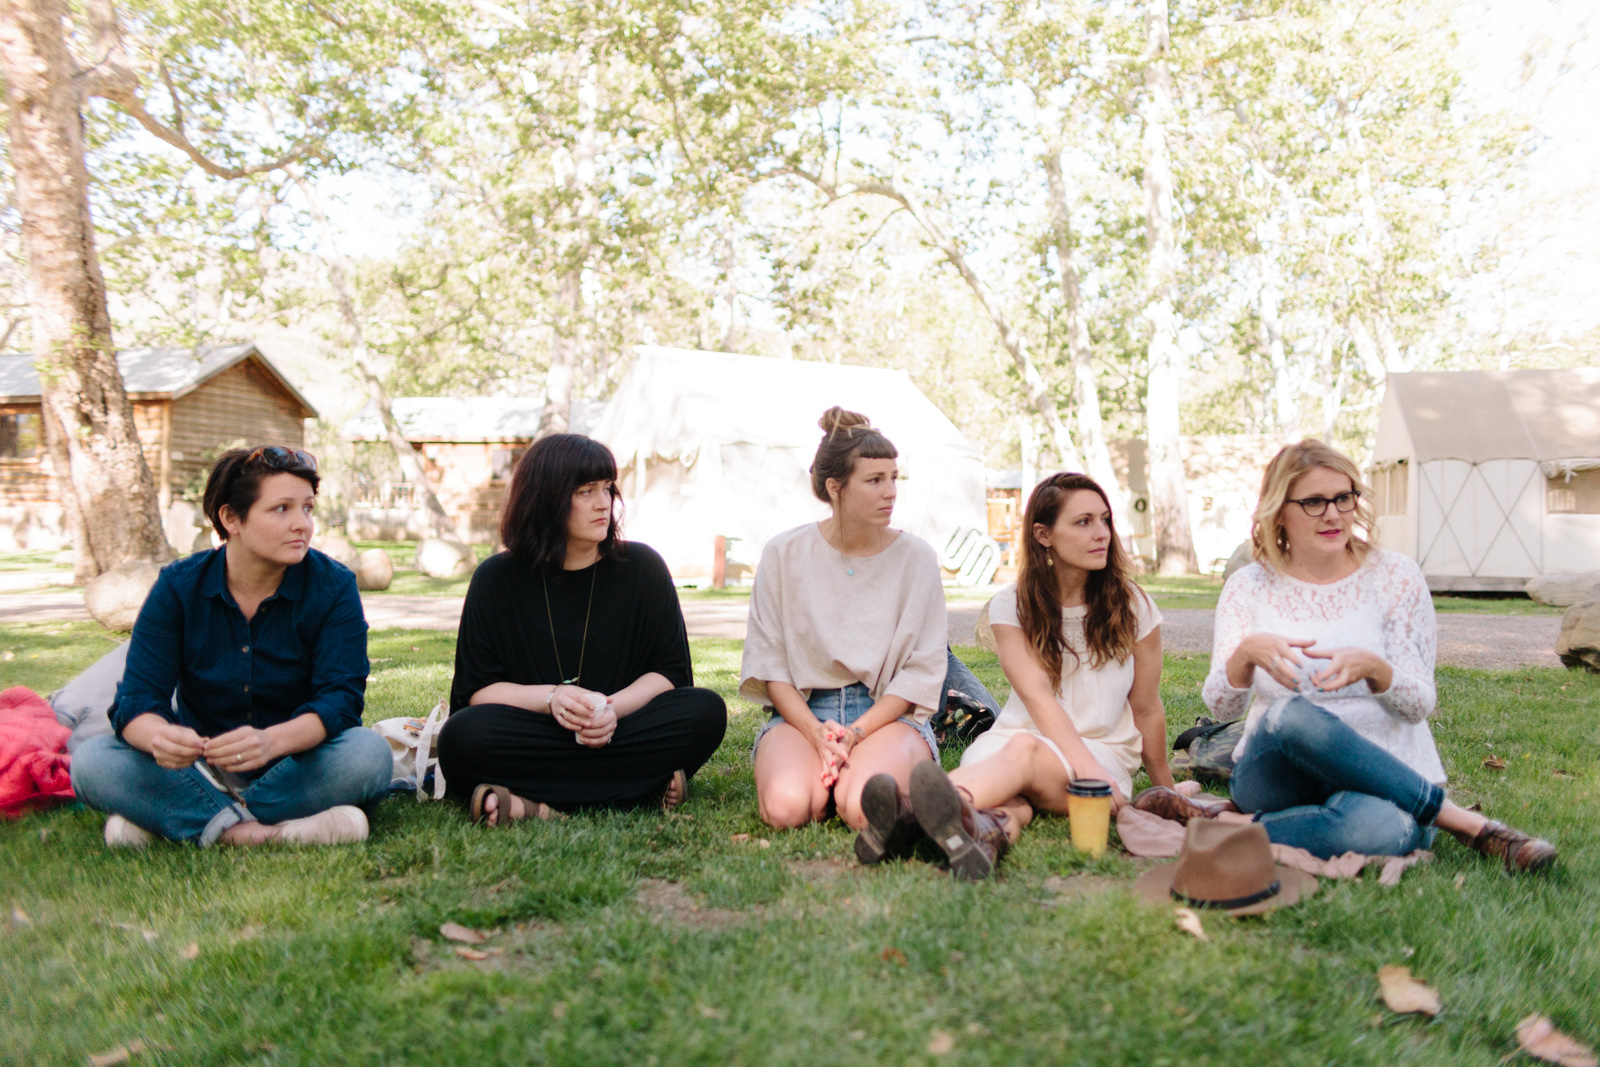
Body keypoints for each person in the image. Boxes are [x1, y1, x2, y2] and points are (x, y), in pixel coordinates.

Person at [1149, 439, 1556, 871]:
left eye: (1344, 498)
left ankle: (1231, 824)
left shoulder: (1396, 576)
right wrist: (1246, 654)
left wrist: (1376, 670)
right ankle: (1469, 825)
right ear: (1279, 509)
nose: (1333, 514)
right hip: (1277, 776)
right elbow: (1221, 704)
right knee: (1291, 713)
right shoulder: (1249, 586)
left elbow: (1418, 704)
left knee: (1379, 832)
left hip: (1382, 780)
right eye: (1314, 502)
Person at [71, 446, 392, 848]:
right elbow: (137, 700)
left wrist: (272, 742)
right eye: (281, 509)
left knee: (368, 755)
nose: (302, 525)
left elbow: (340, 702)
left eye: (307, 508)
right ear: (230, 518)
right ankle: (266, 834)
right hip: (198, 768)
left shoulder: (334, 586)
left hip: (298, 763)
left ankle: (182, 821)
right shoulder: (178, 586)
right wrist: (159, 739)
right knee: (92, 761)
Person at [896, 472, 1186, 880]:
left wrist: (1166, 792)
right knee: (1014, 789)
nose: (1101, 532)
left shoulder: (1134, 605)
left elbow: (1147, 708)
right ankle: (987, 838)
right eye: (1083, 522)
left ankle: (908, 816)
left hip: (1100, 753)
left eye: (1104, 520)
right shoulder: (1010, 605)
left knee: (1024, 754)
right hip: (1014, 744)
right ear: (1043, 534)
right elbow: (1036, 698)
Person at [436, 434, 726, 824]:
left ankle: (529, 805)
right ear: (546, 498)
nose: (603, 503)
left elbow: (670, 674)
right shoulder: (496, 579)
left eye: (607, 488)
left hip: (622, 728)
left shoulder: (643, 568)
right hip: (536, 731)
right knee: (462, 737)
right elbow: (478, 692)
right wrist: (553, 698)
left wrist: (610, 710)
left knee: (705, 710)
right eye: (586, 491)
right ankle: (642, 785)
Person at [741, 407, 949, 862]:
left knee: (860, 808)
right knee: (786, 807)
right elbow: (771, 664)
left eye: (895, 478)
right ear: (835, 487)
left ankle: (909, 794)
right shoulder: (783, 554)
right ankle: (833, 773)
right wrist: (816, 733)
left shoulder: (917, 558)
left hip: (885, 715)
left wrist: (854, 733)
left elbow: (919, 671)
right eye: (874, 480)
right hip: (802, 712)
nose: (890, 492)